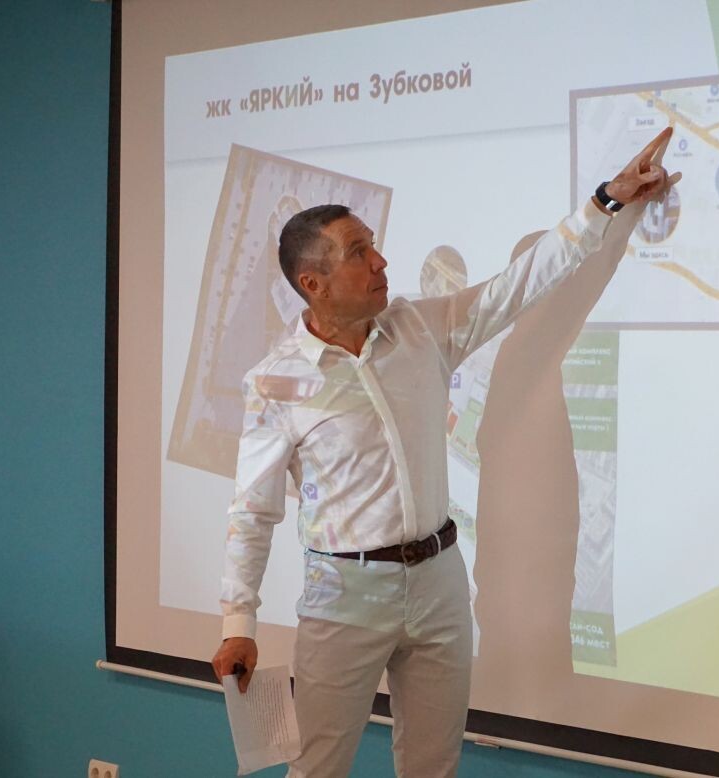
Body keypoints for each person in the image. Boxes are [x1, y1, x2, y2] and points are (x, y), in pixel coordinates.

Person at [210, 127, 679, 777]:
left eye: (373, 246)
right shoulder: (275, 382)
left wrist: (606, 202)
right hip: (343, 594)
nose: (380, 263)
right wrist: (238, 620)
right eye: (359, 253)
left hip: (439, 582)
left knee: (433, 766)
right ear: (314, 283)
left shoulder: (420, 328)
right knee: (318, 768)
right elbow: (253, 511)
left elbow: (519, 285)